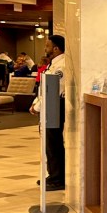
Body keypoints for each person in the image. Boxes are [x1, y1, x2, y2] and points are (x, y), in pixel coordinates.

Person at [31, 34, 66, 191]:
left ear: (56, 48)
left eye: (47, 45)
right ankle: (53, 175)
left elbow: (53, 89)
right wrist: (36, 103)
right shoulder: (53, 63)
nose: (45, 49)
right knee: (49, 143)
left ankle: (58, 178)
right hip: (49, 105)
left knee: (54, 143)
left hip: (55, 106)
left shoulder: (62, 65)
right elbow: (43, 88)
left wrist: (36, 107)